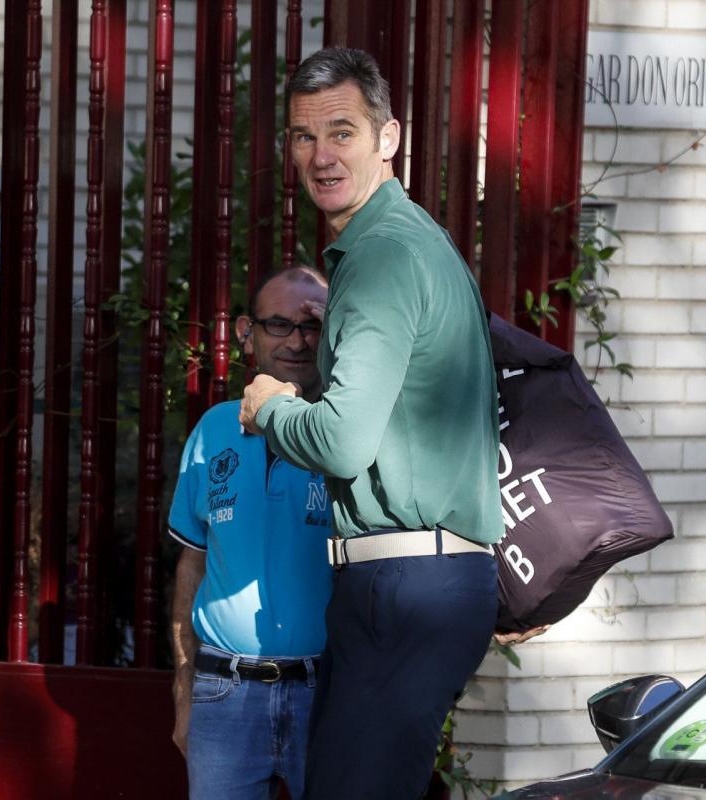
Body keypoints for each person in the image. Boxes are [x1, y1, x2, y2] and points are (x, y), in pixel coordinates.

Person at [239, 47, 504, 799]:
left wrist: (271, 407)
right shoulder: (411, 238)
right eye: (304, 136)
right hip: (420, 582)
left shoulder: (383, 254)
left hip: (405, 585)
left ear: (389, 137)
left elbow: (343, 441)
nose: (321, 156)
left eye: (342, 132)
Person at [169, 265, 332, 800]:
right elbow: (192, 564)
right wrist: (184, 689)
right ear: (247, 332)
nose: (297, 342)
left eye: (314, 325)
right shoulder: (212, 430)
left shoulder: (350, 436)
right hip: (225, 694)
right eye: (279, 324)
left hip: (328, 694)